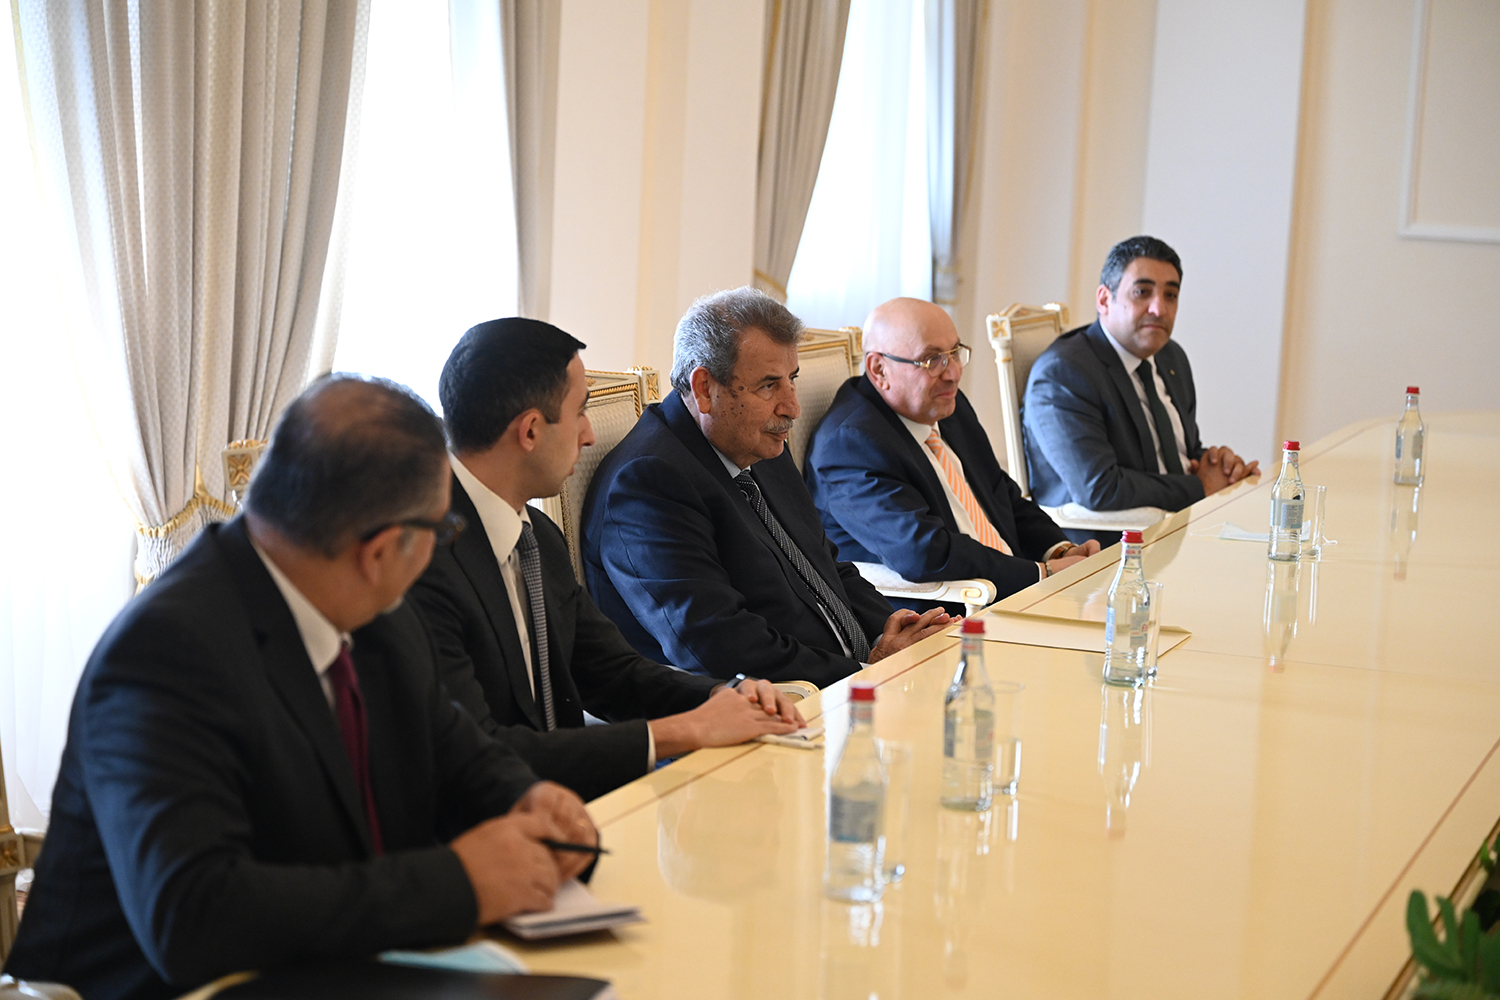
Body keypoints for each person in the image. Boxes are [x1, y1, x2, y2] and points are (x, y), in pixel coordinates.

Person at [5, 376, 598, 1000]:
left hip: (340, 968)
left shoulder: (381, 616)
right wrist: (458, 884)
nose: (440, 550)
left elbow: (456, 756)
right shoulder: (165, 652)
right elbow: (194, 914)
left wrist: (527, 799)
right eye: (441, 530)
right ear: (380, 551)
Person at [408, 318, 805, 803]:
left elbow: (611, 673)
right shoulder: (421, 559)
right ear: (529, 430)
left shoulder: (539, 536)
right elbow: (479, 750)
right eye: (580, 412)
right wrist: (683, 731)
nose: (590, 435)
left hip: (565, 804)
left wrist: (723, 697)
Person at [581, 287, 951, 689]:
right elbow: (716, 645)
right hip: (773, 704)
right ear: (704, 388)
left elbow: (826, 564)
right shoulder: (648, 483)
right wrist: (865, 674)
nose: (792, 408)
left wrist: (891, 632)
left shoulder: (760, 443)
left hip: (844, 679)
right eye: (768, 386)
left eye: (792, 380)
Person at [806, 298, 1099, 602]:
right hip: (949, 610)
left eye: (955, 353)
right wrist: (1041, 574)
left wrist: (1060, 551)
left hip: (1014, 587)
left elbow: (1001, 494)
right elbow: (924, 551)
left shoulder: (944, 406)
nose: (953, 373)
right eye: (932, 360)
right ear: (879, 369)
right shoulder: (849, 445)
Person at [1023, 235, 1259, 519]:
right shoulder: (1064, 374)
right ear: (1104, 300)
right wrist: (1201, 487)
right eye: (1142, 292)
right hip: (1108, 538)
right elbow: (1100, 488)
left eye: (1170, 295)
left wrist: (1222, 468)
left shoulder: (1171, 356)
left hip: (1180, 522)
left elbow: (1185, 452)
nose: (1159, 309)